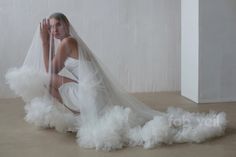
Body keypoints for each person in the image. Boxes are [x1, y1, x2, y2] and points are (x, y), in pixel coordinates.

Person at [5, 12, 227, 151]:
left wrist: (45, 43)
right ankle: (80, 114)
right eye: (51, 28)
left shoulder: (67, 42)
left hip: (90, 97)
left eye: (58, 26)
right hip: (95, 95)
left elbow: (49, 71)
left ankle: (80, 115)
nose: (54, 31)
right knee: (50, 79)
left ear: (67, 25)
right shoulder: (70, 42)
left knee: (46, 80)